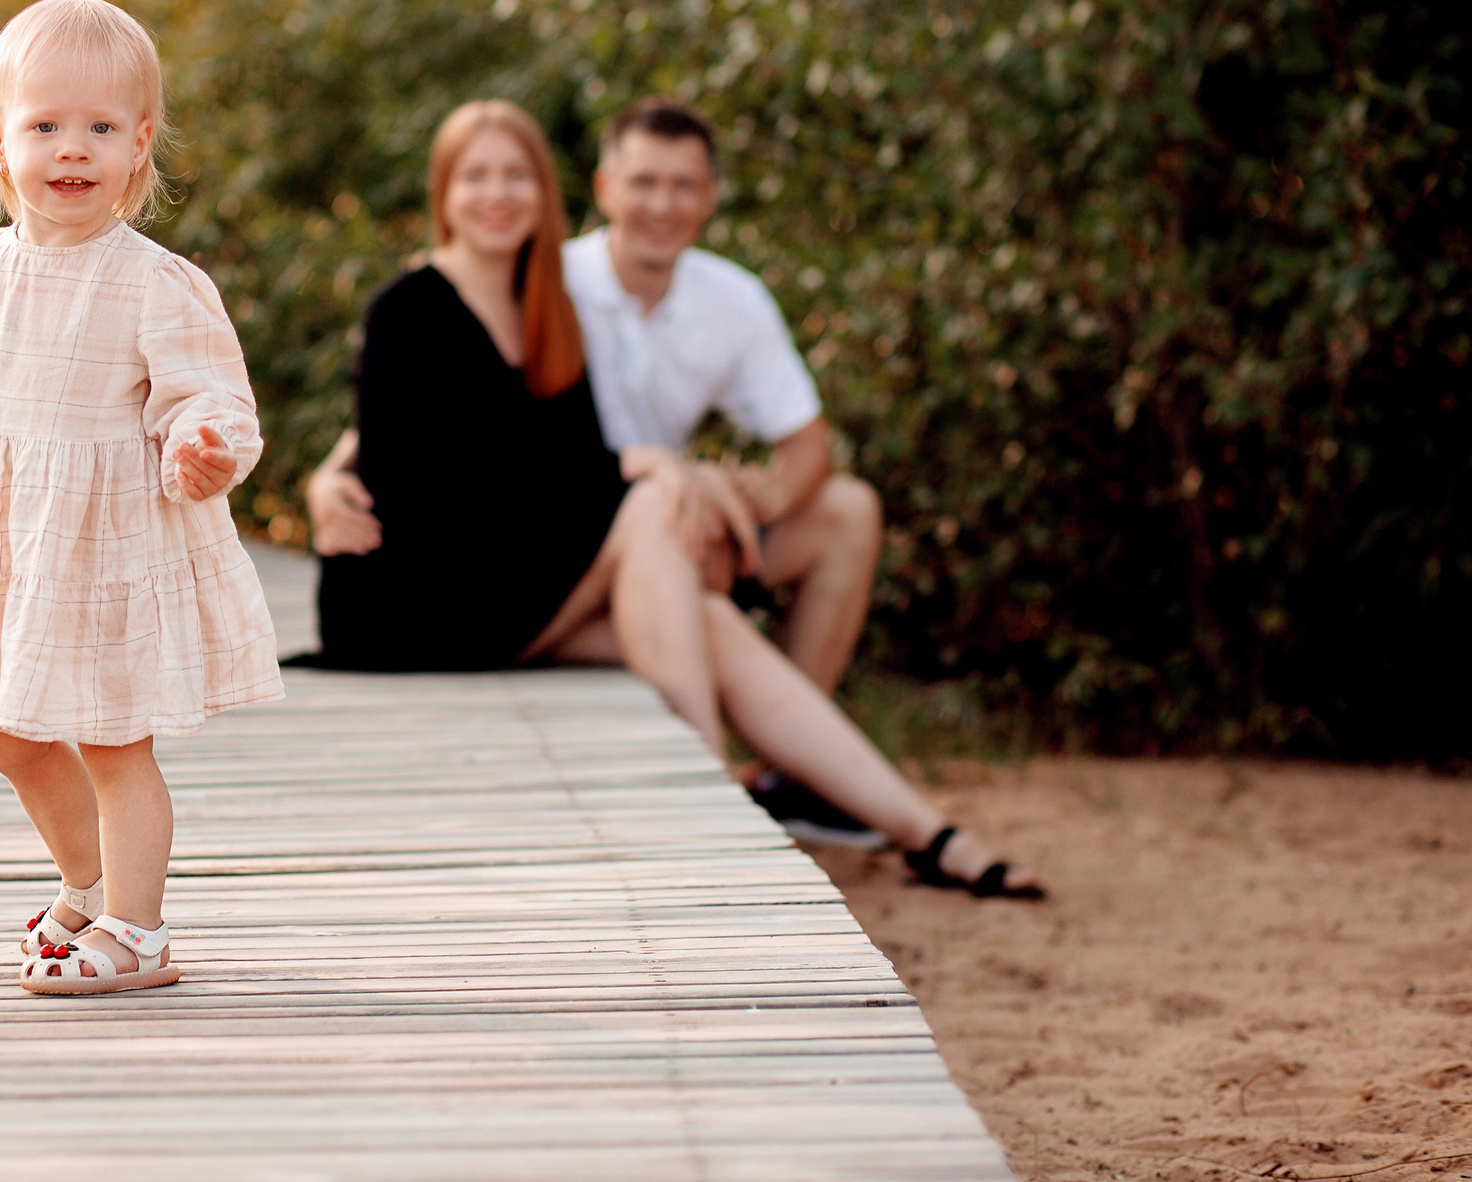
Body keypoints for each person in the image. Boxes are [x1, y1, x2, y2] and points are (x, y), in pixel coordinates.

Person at [304, 98, 1038, 898]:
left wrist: (651, 471)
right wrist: (649, 465)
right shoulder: (406, 309)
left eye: (516, 175)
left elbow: (573, 457)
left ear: (547, 195)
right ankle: (715, 803)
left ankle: (925, 832)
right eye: (475, 175)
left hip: (517, 590)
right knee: (653, 505)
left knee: (710, 615)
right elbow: (424, 479)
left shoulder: (547, 306)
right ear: (444, 193)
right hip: (412, 596)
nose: (497, 193)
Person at [0, 0, 285, 994]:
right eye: (45, 124)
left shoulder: (153, 281)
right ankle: (88, 882)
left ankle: (138, 928)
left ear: (139, 146)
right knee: (2, 727)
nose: (72, 148)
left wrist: (205, 450)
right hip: (8, 542)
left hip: (104, 546)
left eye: (100, 127)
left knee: (109, 737)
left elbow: (207, 397)